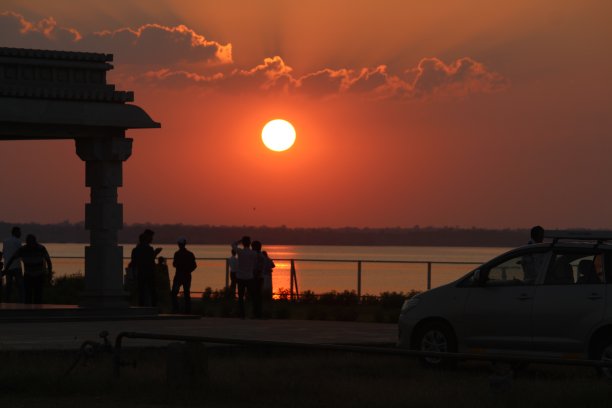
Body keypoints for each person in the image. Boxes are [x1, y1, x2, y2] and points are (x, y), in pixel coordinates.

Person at [4, 234, 52, 304]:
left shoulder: (41, 248)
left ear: (35, 241)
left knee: (38, 295)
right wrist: (6, 269)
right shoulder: (23, 249)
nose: (30, 244)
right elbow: (12, 258)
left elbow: (48, 260)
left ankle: (37, 311)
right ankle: (28, 312)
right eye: (29, 242)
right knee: (28, 295)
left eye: (31, 242)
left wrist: (49, 272)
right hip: (28, 275)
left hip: (39, 275)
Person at [131, 230, 162, 307]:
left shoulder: (135, 250)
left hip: (140, 272)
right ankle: (154, 308)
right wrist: (156, 253)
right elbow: (150, 260)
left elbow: (134, 262)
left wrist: (134, 273)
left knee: (141, 292)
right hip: (149, 273)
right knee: (152, 291)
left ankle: (141, 307)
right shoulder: (149, 249)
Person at [231, 236, 258, 319]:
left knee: (240, 297)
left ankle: (242, 314)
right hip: (250, 277)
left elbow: (232, 244)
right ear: (249, 243)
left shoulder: (240, 252)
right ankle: (254, 313)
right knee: (253, 296)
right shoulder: (253, 253)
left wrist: (239, 241)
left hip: (240, 277)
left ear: (243, 243)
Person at [171, 237, 197, 314]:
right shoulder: (190, 254)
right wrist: (188, 271)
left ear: (179, 245)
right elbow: (194, 265)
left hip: (178, 276)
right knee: (187, 293)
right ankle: (187, 310)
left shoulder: (177, 254)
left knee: (174, 293)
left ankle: (176, 309)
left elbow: (174, 264)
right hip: (187, 276)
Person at [2, 226, 24, 303]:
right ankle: (22, 302)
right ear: (15, 232)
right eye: (19, 232)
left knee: (8, 286)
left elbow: (4, 253)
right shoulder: (18, 241)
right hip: (17, 266)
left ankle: (7, 301)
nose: (20, 233)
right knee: (20, 286)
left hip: (7, 266)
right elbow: (20, 253)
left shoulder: (5, 241)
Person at [251, 240, 265, 318]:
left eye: (253, 247)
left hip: (257, 278)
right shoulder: (259, 255)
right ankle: (257, 313)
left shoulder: (259, 256)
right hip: (257, 278)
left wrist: (254, 276)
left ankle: (257, 313)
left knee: (257, 296)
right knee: (256, 296)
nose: (252, 248)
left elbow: (258, 269)